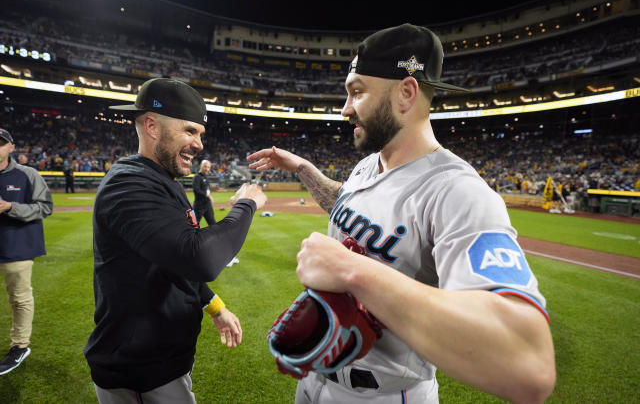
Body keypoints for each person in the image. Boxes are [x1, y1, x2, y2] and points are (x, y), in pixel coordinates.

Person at [248, 24, 555, 403]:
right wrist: (302, 168)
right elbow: (346, 203)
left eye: (357, 92)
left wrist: (352, 270)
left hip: (385, 395)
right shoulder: (369, 164)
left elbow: (530, 365)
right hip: (317, 379)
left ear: (406, 93)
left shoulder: (458, 192)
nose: (345, 109)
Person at [84, 78, 267, 403]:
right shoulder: (128, 186)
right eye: (189, 131)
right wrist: (247, 204)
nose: (199, 144)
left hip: (160, 360)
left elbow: (170, 262)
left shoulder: (158, 180)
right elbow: (199, 258)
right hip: (140, 370)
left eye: (200, 134)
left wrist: (215, 307)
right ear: (152, 125)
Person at [0, 128, 53, 375]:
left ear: (11, 148)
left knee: (20, 299)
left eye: (1, 143)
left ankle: (20, 345)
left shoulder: (27, 174)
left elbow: (44, 207)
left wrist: (11, 206)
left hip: (17, 246)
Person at [192, 159, 215, 227]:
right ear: (201, 166)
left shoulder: (206, 177)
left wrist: (208, 195)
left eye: (208, 167)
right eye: (205, 166)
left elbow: (207, 189)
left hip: (207, 205)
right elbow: (196, 190)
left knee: (213, 224)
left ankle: (214, 237)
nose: (207, 169)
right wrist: (207, 195)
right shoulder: (197, 177)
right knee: (194, 226)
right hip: (199, 206)